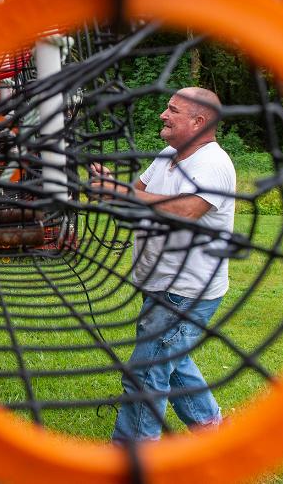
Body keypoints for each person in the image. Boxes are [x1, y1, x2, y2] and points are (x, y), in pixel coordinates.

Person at [90, 86, 236, 442]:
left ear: (199, 122)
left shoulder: (214, 164)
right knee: (172, 360)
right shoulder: (168, 153)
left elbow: (186, 210)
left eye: (172, 110)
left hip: (186, 291)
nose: (163, 115)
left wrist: (124, 194)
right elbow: (138, 192)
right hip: (160, 282)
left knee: (147, 372)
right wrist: (112, 186)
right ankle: (210, 427)